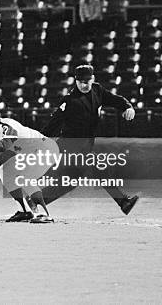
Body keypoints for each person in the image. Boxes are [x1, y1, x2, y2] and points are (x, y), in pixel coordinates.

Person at [41, 64, 139, 214]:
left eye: (87, 81)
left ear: (93, 79)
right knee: (99, 167)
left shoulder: (98, 90)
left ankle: (35, 202)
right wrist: (40, 141)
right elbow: (53, 123)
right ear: (75, 81)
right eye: (80, 82)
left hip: (85, 146)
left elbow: (115, 99)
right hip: (70, 147)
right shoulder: (69, 101)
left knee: (68, 184)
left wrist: (127, 107)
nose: (84, 84)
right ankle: (123, 202)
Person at [0, 100, 54, 223]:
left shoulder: (8, 125)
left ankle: (43, 214)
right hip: (27, 152)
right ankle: (24, 211)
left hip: (45, 148)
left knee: (24, 175)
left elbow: (4, 145)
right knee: (3, 171)